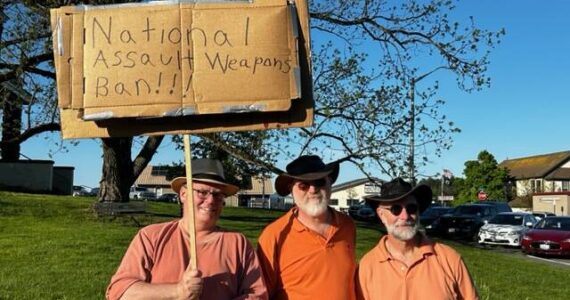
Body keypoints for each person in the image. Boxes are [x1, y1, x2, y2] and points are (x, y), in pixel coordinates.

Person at [106, 158, 268, 300]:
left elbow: (257, 294)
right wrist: (177, 291)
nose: (211, 200)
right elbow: (120, 292)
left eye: (218, 195)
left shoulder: (238, 243)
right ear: (183, 194)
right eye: (202, 192)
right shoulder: (151, 236)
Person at [356, 178, 479, 300]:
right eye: (396, 209)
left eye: (411, 208)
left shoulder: (450, 259)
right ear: (381, 215)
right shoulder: (367, 267)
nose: (405, 216)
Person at [257, 155, 356, 300]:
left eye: (319, 181)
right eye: (303, 185)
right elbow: (262, 294)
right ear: (292, 190)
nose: (313, 190)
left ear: (330, 184)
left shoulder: (348, 225)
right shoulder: (274, 235)